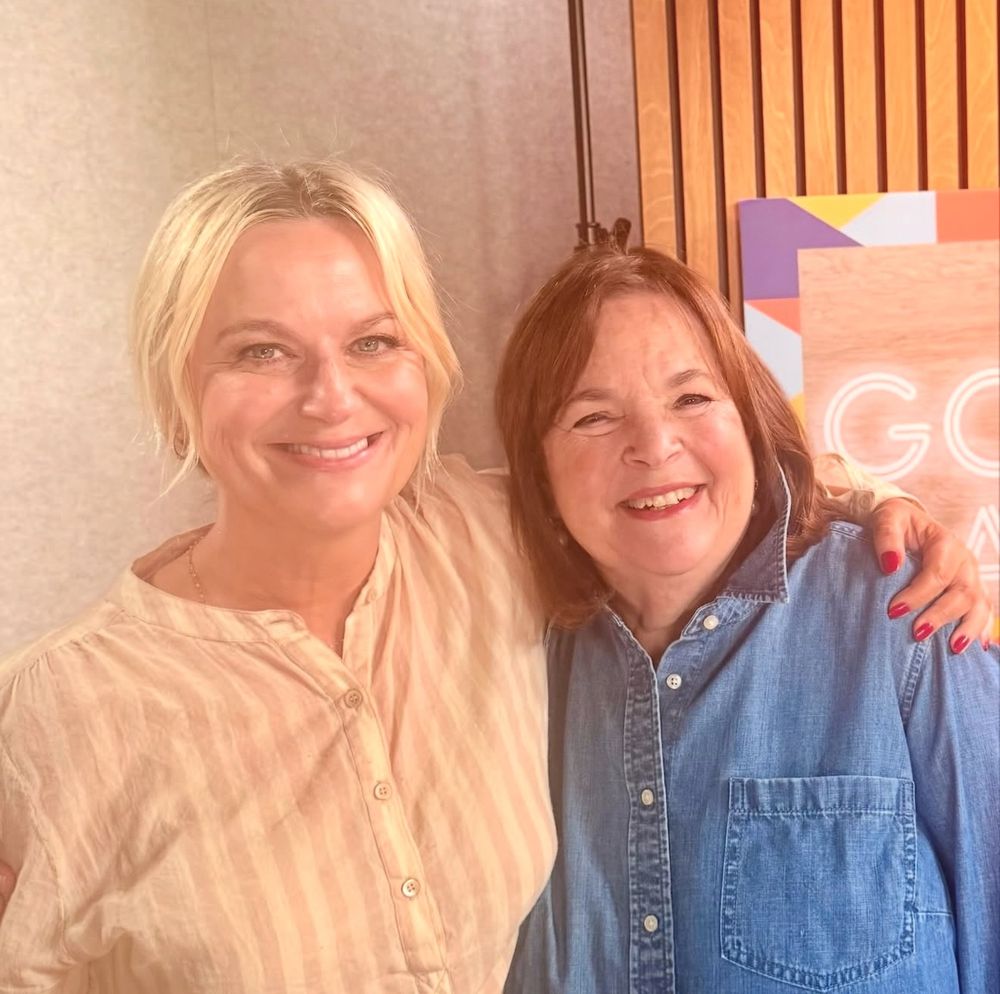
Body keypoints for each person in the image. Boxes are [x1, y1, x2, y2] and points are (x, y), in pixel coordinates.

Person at [0, 160, 990, 992]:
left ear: (421, 364)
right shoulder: (63, 708)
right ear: (176, 384)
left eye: (372, 340)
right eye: (259, 350)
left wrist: (877, 507)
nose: (331, 395)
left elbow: (689, 473)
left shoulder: (488, 542)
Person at [496, 245, 999, 993]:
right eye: (593, 416)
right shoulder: (513, 661)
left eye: (692, 399)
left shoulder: (900, 616)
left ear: (750, 419)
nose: (655, 446)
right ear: (537, 471)